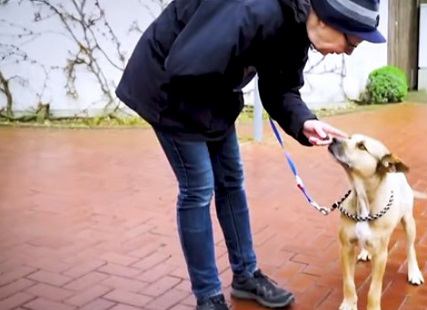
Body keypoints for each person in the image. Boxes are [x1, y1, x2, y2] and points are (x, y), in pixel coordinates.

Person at [115, 0, 385, 309]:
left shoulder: (297, 27)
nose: (345, 53)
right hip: (168, 89)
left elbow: (280, 87)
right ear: (327, 19)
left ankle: (245, 276)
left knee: (231, 180)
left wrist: (303, 121)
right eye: (349, 45)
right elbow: (186, 63)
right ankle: (209, 297)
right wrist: (242, 72)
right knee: (198, 188)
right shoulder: (251, 7)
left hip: (212, 95)